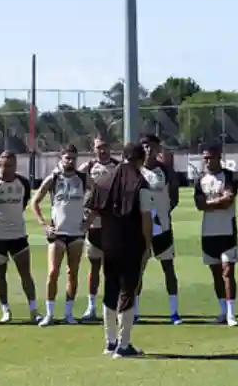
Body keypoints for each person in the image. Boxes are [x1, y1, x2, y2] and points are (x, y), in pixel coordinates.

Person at [85, 143, 153, 358]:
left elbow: (91, 211)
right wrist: (147, 245)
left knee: (111, 289)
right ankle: (123, 345)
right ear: (141, 159)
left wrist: (84, 231)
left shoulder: (104, 181)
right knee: (128, 291)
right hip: (132, 243)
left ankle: (110, 341)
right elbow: (146, 218)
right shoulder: (140, 183)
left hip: (109, 243)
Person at [29, 145, 89, 326]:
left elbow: (99, 197)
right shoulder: (53, 178)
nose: (70, 161)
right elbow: (34, 202)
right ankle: (49, 314)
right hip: (58, 233)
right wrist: (43, 224)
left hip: (77, 233)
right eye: (67, 158)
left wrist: (89, 220)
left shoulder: (83, 178)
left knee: (73, 273)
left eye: (73, 158)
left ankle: (68, 314)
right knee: (53, 272)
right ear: (60, 159)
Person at [0, 151, 40, 324]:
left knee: (25, 273)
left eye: (10, 165)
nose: (7, 169)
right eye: (4, 165)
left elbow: (24, 202)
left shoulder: (23, 182)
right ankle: (5, 310)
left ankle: (34, 310)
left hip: (18, 234)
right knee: (0, 274)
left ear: (15, 166)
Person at [137, 134, 182, 324]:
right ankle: (134, 311)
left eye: (152, 146)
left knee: (168, 268)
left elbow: (175, 196)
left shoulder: (165, 170)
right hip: (140, 229)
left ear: (157, 149)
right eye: (145, 146)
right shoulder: (135, 169)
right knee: (138, 270)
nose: (148, 149)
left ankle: (174, 312)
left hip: (162, 227)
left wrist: (164, 211)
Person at [193, 142, 238, 326]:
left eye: (210, 157)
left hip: (227, 231)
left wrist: (209, 203)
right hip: (208, 232)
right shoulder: (199, 179)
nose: (206, 161)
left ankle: (231, 314)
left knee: (228, 272)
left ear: (219, 157)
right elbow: (199, 205)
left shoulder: (229, 176)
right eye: (204, 158)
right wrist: (217, 201)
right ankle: (222, 310)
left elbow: (228, 201)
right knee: (215, 273)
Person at [78, 137, 118, 320]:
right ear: (93, 149)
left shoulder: (118, 167)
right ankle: (91, 306)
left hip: (112, 224)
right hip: (93, 224)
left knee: (112, 268)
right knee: (94, 266)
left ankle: (112, 305)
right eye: (99, 147)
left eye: (105, 146)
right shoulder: (87, 167)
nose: (103, 150)